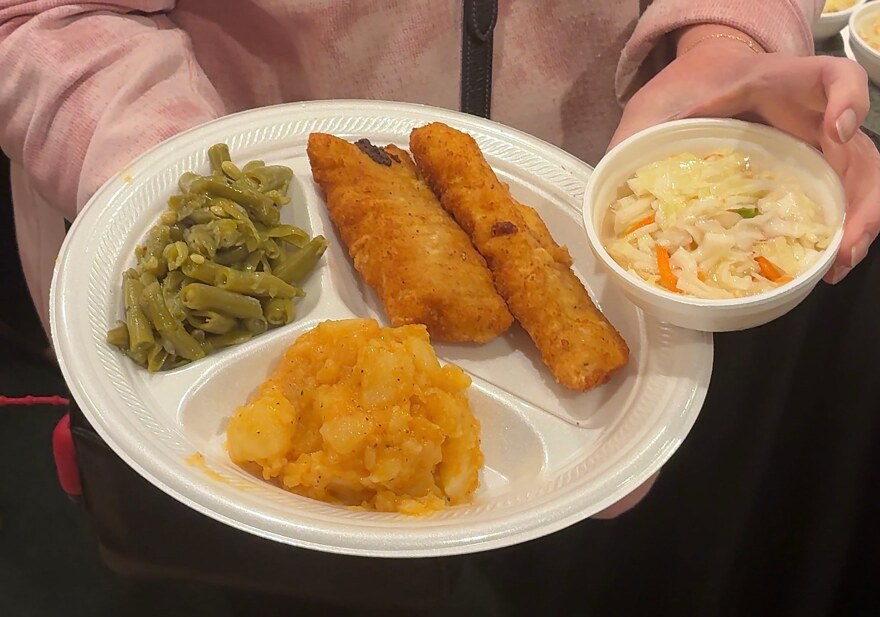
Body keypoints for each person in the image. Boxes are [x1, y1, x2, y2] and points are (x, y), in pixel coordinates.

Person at [0, 0, 876, 602]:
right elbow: (45, 16)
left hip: (609, 210)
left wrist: (727, 39)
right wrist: (201, 191)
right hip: (228, 192)